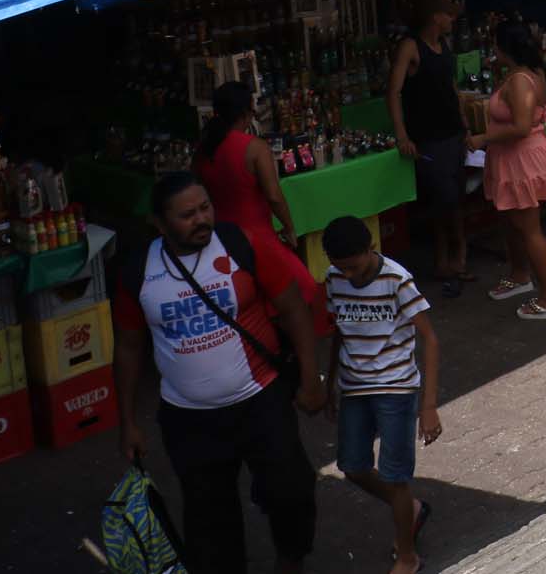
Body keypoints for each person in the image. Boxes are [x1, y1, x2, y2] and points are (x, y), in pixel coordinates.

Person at [115, 172, 324, 574]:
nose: (201, 219)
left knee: (291, 490)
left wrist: (311, 380)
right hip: (189, 420)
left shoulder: (241, 244)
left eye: (205, 208)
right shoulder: (139, 271)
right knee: (209, 521)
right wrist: (126, 422)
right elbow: (127, 348)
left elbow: (296, 309)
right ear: (159, 224)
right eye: (187, 214)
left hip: (261, 400)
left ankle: (290, 560)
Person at [322, 216, 441, 574]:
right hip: (354, 387)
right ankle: (410, 510)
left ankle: (408, 555)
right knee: (353, 467)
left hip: (396, 387)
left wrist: (429, 406)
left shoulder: (397, 279)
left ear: (370, 248)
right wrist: (330, 384)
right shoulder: (334, 278)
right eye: (341, 267)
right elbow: (338, 331)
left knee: (395, 476)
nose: (349, 275)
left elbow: (430, 340)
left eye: (354, 266)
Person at [467, 22, 546, 318]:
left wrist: (483, 138)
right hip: (511, 158)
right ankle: (520, 276)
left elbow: (519, 126)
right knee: (512, 222)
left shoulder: (520, 80)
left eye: (495, 45)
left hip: (520, 158)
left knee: (529, 229)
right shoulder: (526, 73)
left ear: (506, 48)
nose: (491, 50)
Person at [193, 80, 327, 329]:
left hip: (218, 237)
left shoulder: (203, 150)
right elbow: (274, 196)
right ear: (246, 113)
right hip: (256, 236)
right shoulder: (254, 148)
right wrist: (289, 228)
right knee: (304, 288)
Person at [387, 0, 471, 294]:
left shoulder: (443, 46)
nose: (452, 20)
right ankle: (449, 253)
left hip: (451, 132)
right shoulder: (411, 47)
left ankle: (451, 255)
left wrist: (464, 122)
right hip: (428, 136)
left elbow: (451, 86)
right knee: (443, 196)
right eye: (448, 15)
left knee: (454, 194)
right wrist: (402, 135)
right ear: (436, 16)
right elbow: (393, 92)